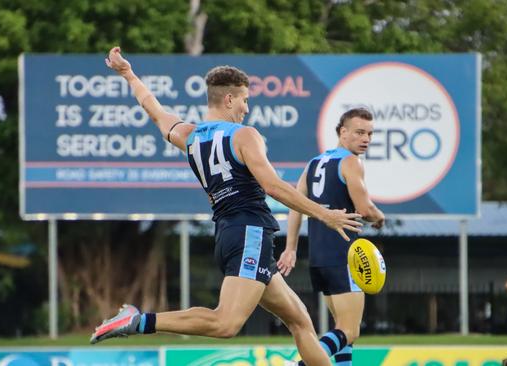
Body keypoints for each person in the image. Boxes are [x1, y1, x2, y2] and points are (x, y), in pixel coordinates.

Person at [90, 47, 363, 366]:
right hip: (250, 233)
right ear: (229, 99)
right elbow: (273, 186)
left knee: (301, 321)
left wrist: (128, 74)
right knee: (226, 323)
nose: (247, 108)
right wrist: (325, 214)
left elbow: (153, 109)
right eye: (245, 100)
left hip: (230, 234)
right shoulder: (245, 136)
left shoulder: (188, 135)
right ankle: (139, 321)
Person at [277, 108, 384, 366]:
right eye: (359, 132)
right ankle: (300, 364)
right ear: (342, 132)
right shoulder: (351, 163)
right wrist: (379, 217)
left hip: (319, 257)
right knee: (350, 330)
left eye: (369, 133)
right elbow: (365, 209)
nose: (366, 138)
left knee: (342, 330)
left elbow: (295, 205)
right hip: (345, 256)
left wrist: (290, 247)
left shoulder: (314, 163)